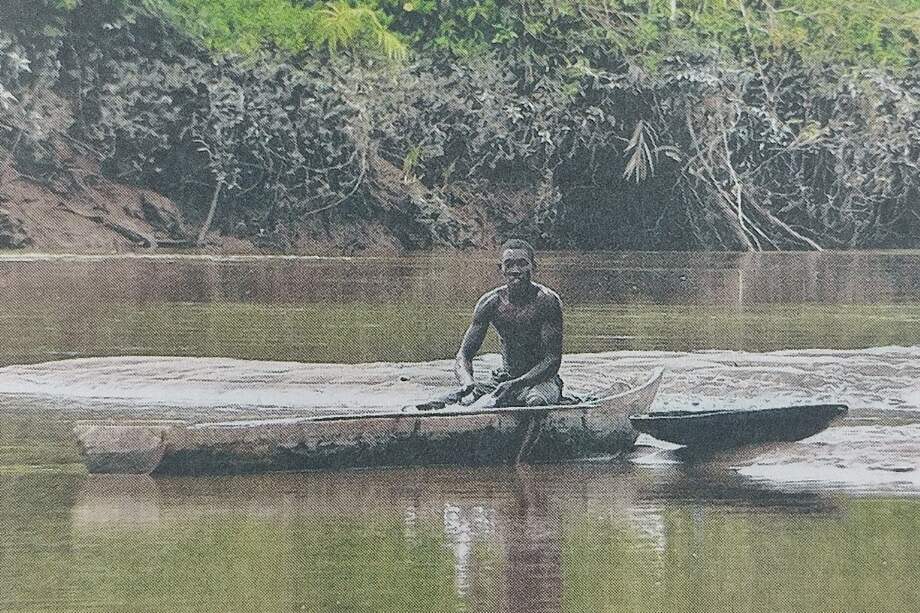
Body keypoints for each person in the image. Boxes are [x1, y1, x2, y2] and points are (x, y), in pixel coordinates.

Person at [453, 238, 563, 407]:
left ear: (534, 267)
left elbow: (552, 360)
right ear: (501, 269)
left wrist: (516, 384)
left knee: (536, 402)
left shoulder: (547, 301)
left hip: (540, 380)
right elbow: (464, 355)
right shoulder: (490, 302)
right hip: (505, 379)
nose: (515, 271)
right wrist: (467, 382)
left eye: (522, 264)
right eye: (509, 265)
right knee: (451, 400)